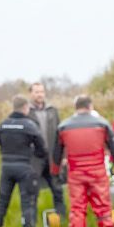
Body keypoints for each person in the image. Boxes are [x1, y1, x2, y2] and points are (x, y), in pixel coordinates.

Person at [54, 95, 114, 227]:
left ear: (76, 107)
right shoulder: (102, 124)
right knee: (103, 207)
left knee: (77, 208)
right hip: (97, 172)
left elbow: (56, 152)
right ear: (90, 107)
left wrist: (54, 172)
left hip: (75, 173)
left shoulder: (64, 126)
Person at [0, 95, 46, 227]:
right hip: (24, 168)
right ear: (25, 108)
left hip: (6, 167)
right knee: (27, 203)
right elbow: (42, 148)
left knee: (2, 202)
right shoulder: (29, 125)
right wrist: (35, 153)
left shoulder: (2, 125)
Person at [28, 82, 66, 218]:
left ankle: (61, 219)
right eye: (37, 92)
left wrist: (64, 156)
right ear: (31, 94)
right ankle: (31, 221)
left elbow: (61, 134)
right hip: (34, 159)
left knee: (57, 189)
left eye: (42, 92)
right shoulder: (27, 112)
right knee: (32, 192)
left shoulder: (52, 110)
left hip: (52, 157)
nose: (40, 95)